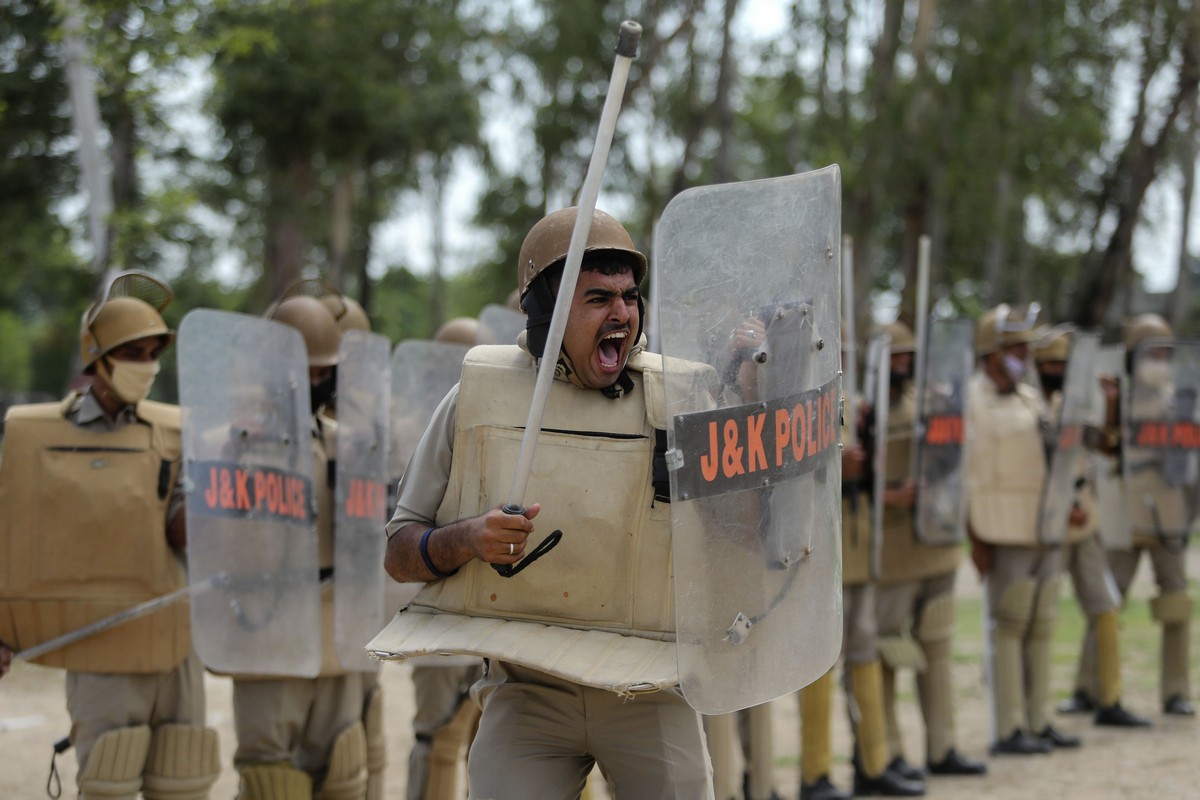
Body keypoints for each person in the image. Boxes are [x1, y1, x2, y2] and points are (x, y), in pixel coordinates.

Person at [380, 207, 712, 798]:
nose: (621, 314)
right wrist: (467, 538)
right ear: (543, 313)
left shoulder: (679, 401)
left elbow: (742, 538)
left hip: (651, 686)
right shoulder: (478, 397)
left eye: (630, 297)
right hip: (528, 690)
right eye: (597, 299)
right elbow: (401, 553)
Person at [0, 271, 221, 799]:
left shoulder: (176, 430)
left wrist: (230, 493)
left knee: (184, 781)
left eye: (152, 352)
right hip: (97, 643)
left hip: (173, 640)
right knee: (108, 785)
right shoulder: (36, 437)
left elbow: (181, 529)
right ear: (96, 359)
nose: (145, 365)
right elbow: (15, 533)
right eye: (132, 352)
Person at [230, 294, 369, 799]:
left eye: (322, 374)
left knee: (341, 769)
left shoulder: (344, 441)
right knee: (270, 779)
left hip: (336, 627)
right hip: (267, 628)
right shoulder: (231, 443)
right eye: (301, 373)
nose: (313, 385)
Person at [871, 322, 988, 777]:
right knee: (886, 653)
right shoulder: (860, 408)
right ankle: (889, 753)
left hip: (936, 541)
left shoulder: (931, 402)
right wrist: (891, 495)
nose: (902, 365)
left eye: (907, 356)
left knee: (937, 650)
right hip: (893, 552)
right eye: (894, 357)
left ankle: (943, 746)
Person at [967, 303, 1080, 755]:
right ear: (991, 352)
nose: (1021, 355)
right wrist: (975, 537)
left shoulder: (1030, 396)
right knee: (1008, 627)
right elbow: (964, 475)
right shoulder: (970, 399)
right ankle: (1009, 728)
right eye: (1013, 346)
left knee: (1042, 625)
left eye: (1023, 347)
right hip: (1002, 530)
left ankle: (1038, 719)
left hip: (1042, 526)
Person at [1070, 314, 1194, 717]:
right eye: (1150, 352)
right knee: (1107, 602)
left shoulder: (1183, 401)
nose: (1158, 360)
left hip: (1170, 515)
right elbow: (1099, 448)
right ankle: (1089, 686)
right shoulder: (1112, 399)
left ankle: (1176, 691)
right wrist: (1110, 409)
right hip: (1125, 515)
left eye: (1163, 353)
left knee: (1175, 602)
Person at [1033, 327, 1151, 728]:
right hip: (1046, 523)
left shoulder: (1071, 402)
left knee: (1106, 605)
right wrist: (1062, 507)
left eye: (1062, 364)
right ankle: (1034, 716)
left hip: (1084, 519)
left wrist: (1113, 404)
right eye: (1050, 363)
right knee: (1036, 617)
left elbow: (1104, 443)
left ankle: (1109, 698)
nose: (1057, 370)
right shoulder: (1030, 406)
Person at [405, 315, 485, 800]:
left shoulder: (497, 417)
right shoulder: (417, 426)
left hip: (486, 605)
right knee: (435, 737)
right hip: (435, 609)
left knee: (490, 738)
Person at [843, 332, 924, 797]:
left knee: (865, 650)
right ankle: (814, 772)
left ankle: (873, 763)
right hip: (827, 546)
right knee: (828, 661)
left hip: (862, 542)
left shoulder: (859, 405)